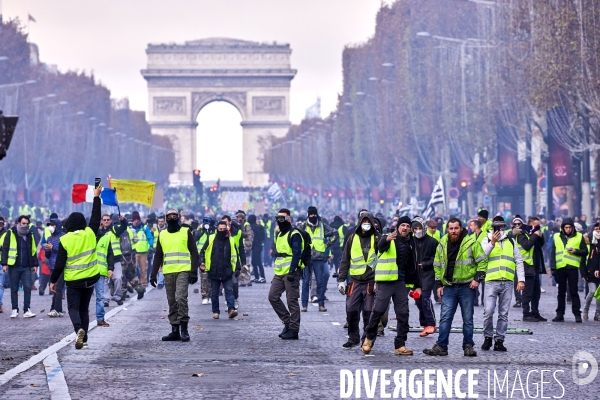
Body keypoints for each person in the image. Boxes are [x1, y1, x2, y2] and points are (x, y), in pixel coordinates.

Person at [423, 217, 487, 357]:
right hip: (449, 287)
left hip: (467, 287)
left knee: (468, 319)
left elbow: (482, 262)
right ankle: (441, 346)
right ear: (447, 229)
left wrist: (477, 279)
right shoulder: (442, 244)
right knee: (445, 318)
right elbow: (437, 265)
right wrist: (439, 285)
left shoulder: (471, 243)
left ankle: (468, 346)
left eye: (456, 228)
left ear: (461, 228)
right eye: (451, 228)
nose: (453, 231)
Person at [49, 185, 102, 349]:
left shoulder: (65, 239)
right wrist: (96, 196)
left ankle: (78, 329)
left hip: (73, 281)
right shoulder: (90, 233)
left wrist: (52, 280)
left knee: (73, 308)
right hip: (90, 279)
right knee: (85, 309)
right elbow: (95, 217)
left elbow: (59, 264)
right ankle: (84, 341)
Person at [362, 215, 421, 355]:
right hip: (386, 281)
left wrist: (417, 284)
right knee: (378, 312)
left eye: (407, 226)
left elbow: (412, 265)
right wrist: (386, 240)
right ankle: (368, 339)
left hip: (401, 283)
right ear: (398, 227)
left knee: (403, 314)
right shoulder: (389, 237)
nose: (405, 228)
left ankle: (400, 345)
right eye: (403, 225)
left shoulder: (411, 242)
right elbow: (380, 247)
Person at [150, 209, 199, 342]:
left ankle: (184, 329)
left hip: (183, 270)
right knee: (172, 301)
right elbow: (158, 255)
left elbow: (194, 252)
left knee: (180, 298)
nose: (172, 217)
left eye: (174, 215)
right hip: (168, 271)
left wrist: (194, 271)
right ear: (166, 218)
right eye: (169, 216)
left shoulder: (185, 232)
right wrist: (153, 274)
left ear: (178, 217)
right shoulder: (163, 234)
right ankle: (175, 330)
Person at [480, 216, 525, 352]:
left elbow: (519, 260)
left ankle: (499, 340)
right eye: (496, 226)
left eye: (501, 226)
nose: (499, 229)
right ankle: (487, 337)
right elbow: (482, 256)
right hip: (491, 281)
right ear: (492, 227)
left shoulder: (511, 241)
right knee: (488, 311)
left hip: (507, 282)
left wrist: (521, 279)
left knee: (503, 313)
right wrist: (492, 242)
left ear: (504, 227)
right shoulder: (486, 239)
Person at [337, 213, 380, 349]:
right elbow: (345, 260)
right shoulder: (352, 238)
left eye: (368, 221)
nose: (366, 223)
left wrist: (378, 282)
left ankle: (366, 339)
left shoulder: (377, 238)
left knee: (368, 312)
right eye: (364, 221)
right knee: (351, 310)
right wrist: (341, 280)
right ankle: (353, 337)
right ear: (360, 222)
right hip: (355, 281)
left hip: (370, 281)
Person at [268, 208, 304, 340]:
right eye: (278, 218)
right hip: (279, 272)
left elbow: (296, 253)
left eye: (283, 218)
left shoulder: (294, 234)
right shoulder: (279, 234)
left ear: (289, 219)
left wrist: (292, 270)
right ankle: (288, 322)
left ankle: (294, 330)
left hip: (291, 273)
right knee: (272, 297)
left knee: (291, 301)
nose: (280, 220)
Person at [199, 220, 241, 319]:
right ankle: (216, 312)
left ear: (226, 228)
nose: (222, 230)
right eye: (220, 229)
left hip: (227, 270)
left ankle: (231, 309)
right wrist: (202, 262)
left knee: (229, 291)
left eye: (223, 229)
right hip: (214, 270)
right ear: (217, 229)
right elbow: (203, 251)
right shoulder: (211, 238)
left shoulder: (231, 240)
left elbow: (235, 254)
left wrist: (237, 267)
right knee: (214, 293)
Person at [301, 206, 338, 312]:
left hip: (319, 257)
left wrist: (328, 244)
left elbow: (335, 233)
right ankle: (304, 305)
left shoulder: (322, 226)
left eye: (314, 214)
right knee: (305, 282)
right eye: (311, 214)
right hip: (307, 257)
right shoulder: (303, 226)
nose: (313, 216)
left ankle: (321, 305)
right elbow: (296, 237)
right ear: (308, 215)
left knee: (320, 281)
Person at [550, 217, 587, 323]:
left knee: (573, 291)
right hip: (560, 267)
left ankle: (577, 314)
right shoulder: (556, 236)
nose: (568, 229)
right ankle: (560, 314)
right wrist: (553, 269)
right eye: (566, 227)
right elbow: (553, 253)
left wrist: (576, 251)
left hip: (572, 268)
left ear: (572, 228)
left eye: (570, 227)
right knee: (561, 292)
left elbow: (585, 252)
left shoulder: (579, 236)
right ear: (562, 228)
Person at [1, 215, 39, 318]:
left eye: (27, 223)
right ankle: (14, 310)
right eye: (23, 223)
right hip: (14, 266)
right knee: (14, 288)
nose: (25, 225)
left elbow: (33, 251)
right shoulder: (11, 232)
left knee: (27, 287)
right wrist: (4, 264)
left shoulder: (29, 234)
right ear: (18, 223)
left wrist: (35, 264)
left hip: (26, 266)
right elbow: (5, 248)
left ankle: (27, 310)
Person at [513, 217, 547, 322]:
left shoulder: (531, 233)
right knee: (527, 292)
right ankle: (526, 314)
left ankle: (535, 313)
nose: (537, 228)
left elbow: (540, 245)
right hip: (526, 266)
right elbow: (527, 246)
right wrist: (535, 235)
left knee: (536, 292)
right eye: (535, 225)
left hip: (535, 266)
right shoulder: (521, 234)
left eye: (538, 226)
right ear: (530, 224)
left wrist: (540, 237)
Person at [411, 217, 439, 337]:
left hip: (428, 274)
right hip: (416, 276)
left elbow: (438, 258)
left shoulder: (433, 242)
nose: (418, 231)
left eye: (419, 228)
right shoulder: (411, 242)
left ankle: (431, 324)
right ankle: (424, 324)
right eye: (415, 228)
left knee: (426, 299)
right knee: (418, 301)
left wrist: (426, 264)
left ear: (424, 228)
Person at [44, 218, 66, 317]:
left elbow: (64, 251)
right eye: (50, 225)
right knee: (54, 288)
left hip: (61, 265)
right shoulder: (49, 238)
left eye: (53, 225)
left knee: (58, 287)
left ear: (57, 225)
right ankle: (57, 309)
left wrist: (53, 248)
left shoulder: (63, 236)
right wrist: (47, 250)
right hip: (52, 265)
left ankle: (56, 309)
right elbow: (48, 255)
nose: (51, 227)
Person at [131, 211, 154, 288]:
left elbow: (150, 237)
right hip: (134, 252)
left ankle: (143, 283)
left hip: (143, 252)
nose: (136, 221)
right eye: (134, 219)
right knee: (133, 269)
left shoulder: (145, 228)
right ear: (132, 220)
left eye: (137, 219)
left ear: (140, 220)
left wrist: (150, 246)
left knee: (143, 269)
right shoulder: (130, 229)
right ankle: (135, 283)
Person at [584, 222, 600, 321]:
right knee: (592, 291)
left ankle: (597, 313)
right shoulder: (587, 242)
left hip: (598, 271)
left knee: (599, 293)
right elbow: (583, 259)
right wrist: (583, 272)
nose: (598, 231)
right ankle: (586, 310)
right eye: (596, 229)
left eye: (599, 229)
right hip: (589, 271)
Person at [197, 215, 214, 303]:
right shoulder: (200, 231)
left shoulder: (213, 232)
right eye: (205, 221)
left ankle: (210, 295)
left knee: (212, 278)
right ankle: (204, 296)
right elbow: (194, 239)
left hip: (212, 258)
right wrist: (199, 230)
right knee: (204, 278)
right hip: (202, 257)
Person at [248, 214, 266, 283]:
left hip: (256, 245)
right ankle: (256, 276)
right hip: (256, 245)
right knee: (253, 262)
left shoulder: (253, 227)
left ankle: (262, 277)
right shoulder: (259, 226)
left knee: (258, 262)